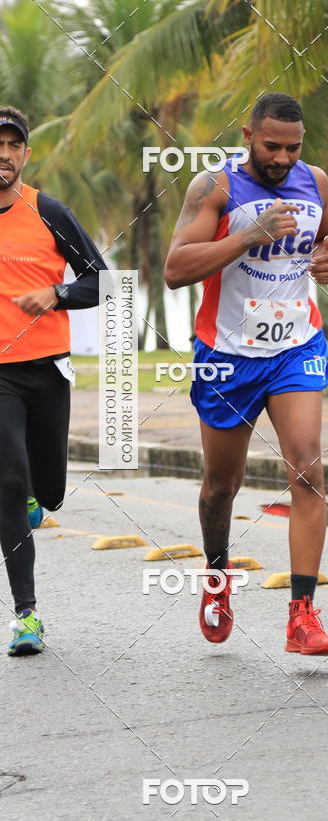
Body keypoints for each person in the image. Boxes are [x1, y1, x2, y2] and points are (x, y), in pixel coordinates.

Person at [164, 93, 328, 656]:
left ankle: (302, 616)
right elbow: (174, 269)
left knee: (309, 468)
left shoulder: (315, 180)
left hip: (296, 346)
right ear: (247, 135)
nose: (283, 158)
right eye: (272, 146)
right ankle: (216, 577)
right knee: (222, 487)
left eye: (293, 147)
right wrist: (246, 236)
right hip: (227, 353)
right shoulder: (213, 188)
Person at [0, 107, 107, 655]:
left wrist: (58, 293)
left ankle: (41, 500)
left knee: (50, 491)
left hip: (47, 369)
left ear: (25, 153)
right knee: (9, 485)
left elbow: (103, 284)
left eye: (13, 144)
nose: (3, 153)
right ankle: (26, 617)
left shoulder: (48, 212)